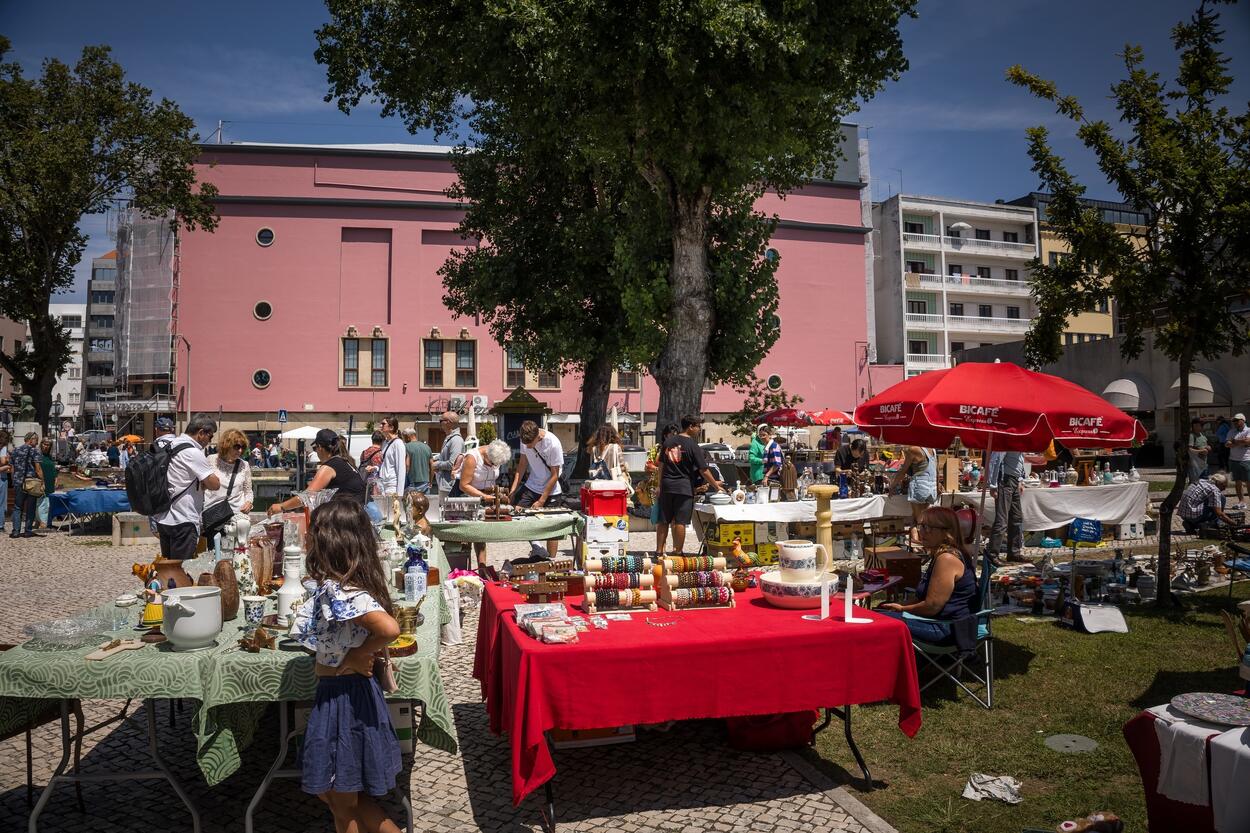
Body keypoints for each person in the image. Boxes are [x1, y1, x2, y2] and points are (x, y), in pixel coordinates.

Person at [290, 500, 402, 833]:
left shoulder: (342, 592)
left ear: (331, 542)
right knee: (339, 796)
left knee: (340, 801)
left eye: (315, 533)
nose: (308, 536)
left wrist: (357, 655)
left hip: (343, 702)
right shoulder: (343, 588)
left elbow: (389, 629)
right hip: (344, 697)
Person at [877, 506, 980, 646]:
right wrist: (899, 605)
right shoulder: (943, 553)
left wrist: (902, 609)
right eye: (921, 526)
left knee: (876, 621)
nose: (921, 532)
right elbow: (925, 599)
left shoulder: (947, 559)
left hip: (946, 628)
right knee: (878, 612)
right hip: (942, 622)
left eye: (928, 527)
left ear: (947, 532)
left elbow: (932, 606)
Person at [151, 415, 220, 566]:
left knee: (169, 568)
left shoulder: (171, 445)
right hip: (183, 520)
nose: (210, 440)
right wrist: (204, 479)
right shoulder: (193, 452)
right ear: (201, 433)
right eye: (210, 435)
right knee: (182, 570)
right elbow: (214, 484)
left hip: (164, 517)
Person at [657, 415, 723, 556]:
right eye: (698, 426)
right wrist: (716, 486)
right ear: (691, 426)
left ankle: (658, 551)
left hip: (667, 485)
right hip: (683, 487)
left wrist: (659, 485)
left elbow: (661, 465)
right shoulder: (692, 445)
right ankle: (678, 551)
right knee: (680, 521)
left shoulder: (668, 442)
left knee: (663, 520)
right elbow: (703, 470)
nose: (699, 430)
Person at [269, 429, 366, 516]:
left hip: (354, 516)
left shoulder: (329, 466)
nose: (316, 452)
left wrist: (281, 506)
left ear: (320, 447)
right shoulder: (345, 462)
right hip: (363, 512)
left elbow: (307, 497)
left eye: (315, 448)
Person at [509, 420, 565, 558]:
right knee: (519, 516)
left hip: (551, 490)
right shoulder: (525, 439)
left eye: (530, 444)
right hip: (532, 485)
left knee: (552, 528)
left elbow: (555, 475)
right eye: (525, 444)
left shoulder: (553, 443)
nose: (527, 447)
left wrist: (542, 500)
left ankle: (551, 560)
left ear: (538, 437)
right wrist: (513, 490)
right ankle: (537, 547)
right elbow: (522, 465)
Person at [452, 439, 512, 565]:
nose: (492, 466)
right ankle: (463, 568)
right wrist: (483, 496)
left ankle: (482, 566)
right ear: (487, 454)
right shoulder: (472, 457)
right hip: (467, 498)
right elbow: (464, 485)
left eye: (495, 465)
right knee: (466, 537)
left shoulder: (495, 456)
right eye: (491, 463)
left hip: (485, 498)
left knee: (481, 536)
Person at [986, 450, 1026, 564]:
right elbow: (995, 460)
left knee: (1017, 518)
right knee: (1002, 520)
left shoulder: (1019, 441)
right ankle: (992, 555)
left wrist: (1020, 479)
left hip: (1014, 480)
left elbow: (1019, 461)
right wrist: (993, 485)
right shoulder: (1006, 440)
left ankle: (1014, 553)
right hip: (1005, 480)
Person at [205, 429, 255, 516]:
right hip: (213, 514)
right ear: (227, 445)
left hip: (237, 515)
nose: (240, 450)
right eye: (237, 447)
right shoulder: (211, 460)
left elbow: (248, 491)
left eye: (242, 447)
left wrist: (248, 502)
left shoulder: (244, 465)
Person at [891, 444, 938, 526]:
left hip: (920, 487)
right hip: (932, 487)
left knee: (919, 520)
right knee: (924, 517)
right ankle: (922, 536)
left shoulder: (913, 450)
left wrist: (892, 486)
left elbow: (903, 471)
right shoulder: (933, 450)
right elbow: (936, 470)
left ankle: (919, 536)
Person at [9, 432, 44, 539]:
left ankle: (16, 531)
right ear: (30, 440)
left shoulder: (15, 450)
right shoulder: (34, 451)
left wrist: (14, 480)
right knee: (31, 506)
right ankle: (28, 530)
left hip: (18, 482)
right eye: (36, 439)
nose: (37, 442)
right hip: (31, 483)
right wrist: (42, 481)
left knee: (17, 507)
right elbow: (38, 468)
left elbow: (12, 468)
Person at [432, 412, 466, 505]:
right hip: (445, 484)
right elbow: (444, 456)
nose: (440, 423)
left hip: (450, 486)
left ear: (449, 422)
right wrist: (433, 458)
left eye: (441, 421)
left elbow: (452, 464)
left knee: (447, 512)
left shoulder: (456, 440)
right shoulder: (450, 438)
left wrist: (435, 465)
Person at [1227, 413, 1250, 510]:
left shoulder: (1249, 430)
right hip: (1233, 460)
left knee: (1249, 482)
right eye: (1234, 421)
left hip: (1246, 460)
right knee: (1237, 482)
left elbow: (1248, 442)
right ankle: (1241, 502)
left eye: (1237, 420)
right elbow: (1227, 444)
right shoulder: (1231, 431)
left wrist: (1235, 441)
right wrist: (1242, 442)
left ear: (1243, 420)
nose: (1235, 422)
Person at [34, 439, 57, 530]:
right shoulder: (37, 455)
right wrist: (41, 481)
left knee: (48, 502)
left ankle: (43, 521)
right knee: (41, 502)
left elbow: (53, 468)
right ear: (41, 444)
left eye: (48, 445)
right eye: (45, 444)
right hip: (41, 481)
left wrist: (56, 478)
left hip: (50, 481)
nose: (46, 446)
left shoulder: (49, 456)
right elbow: (37, 469)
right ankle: (42, 521)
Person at [402, 428, 432, 494]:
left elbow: (407, 465)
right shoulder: (427, 447)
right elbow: (432, 466)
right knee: (425, 503)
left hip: (412, 483)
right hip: (425, 483)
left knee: (411, 504)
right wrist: (430, 481)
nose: (404, 440)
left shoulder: (406, 447)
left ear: (408, 437)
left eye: (404, 437)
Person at [1187, 418, 1209, 485]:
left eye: (1199, 425)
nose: (1197, 427)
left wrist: (1208, 447)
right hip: (1195, 465)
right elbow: (1189, 450)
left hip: (1204, 464)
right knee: (1195, 484)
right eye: (1195, 425)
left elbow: (1206, 445)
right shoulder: (1191, 436)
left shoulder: (1203, 435)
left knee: (1205, 484)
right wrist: (1201, 451)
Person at [0, 429, 11, 534]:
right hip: (1, 478)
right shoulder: (3, 448)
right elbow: (3, 461)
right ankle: (0, 525)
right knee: (1, 503)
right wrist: (8, 461)